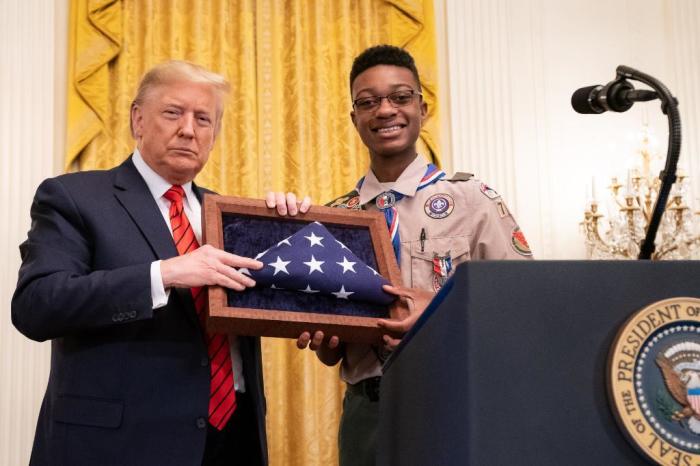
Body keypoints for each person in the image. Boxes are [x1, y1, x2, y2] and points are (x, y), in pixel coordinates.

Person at [11, 60, 307, 466]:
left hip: (232, 442)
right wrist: (164, 274)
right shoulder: (74, 197)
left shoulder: (232, 217)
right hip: (119, 445)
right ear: (138, 119)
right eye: (173, 112)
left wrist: (288, 230)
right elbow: (36, 306)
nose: (188, 129)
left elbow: (271, 306)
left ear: (214, 134)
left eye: (203, 119)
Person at [297, 45, 534, 466]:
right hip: (367, 413)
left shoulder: (473, 199)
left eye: (400, 97)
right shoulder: (333, 218)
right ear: (355, 119)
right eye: (368, 102)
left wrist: (439, 311)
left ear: (422, 108)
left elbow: (523, 304)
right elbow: (332, 344)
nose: (385, 110)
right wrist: (326, 339)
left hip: (451, 401)